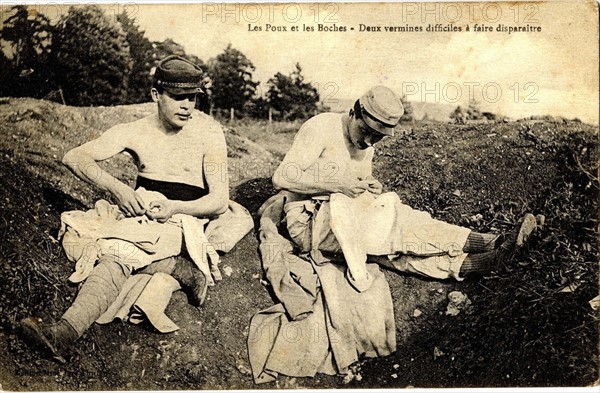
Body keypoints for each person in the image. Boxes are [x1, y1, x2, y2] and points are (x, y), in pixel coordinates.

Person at [20, 55, 231, 360]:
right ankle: (175, 267)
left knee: (115, 255)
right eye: (177, 97)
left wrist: (173, 208)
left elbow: (219, 202)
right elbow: (74, 157)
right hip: (141, 219)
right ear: (156, 95)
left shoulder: (209, 133)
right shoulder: (135, 131)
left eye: (192, 98)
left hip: (185, 219)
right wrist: (117, 189)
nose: (186, 106)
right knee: (82, 238)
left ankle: (66, 333)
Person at [271, 85, 539, 290]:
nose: (370, 142)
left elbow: (357, 185)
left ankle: (489, 261)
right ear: (355, 113)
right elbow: (281, 177)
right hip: (308, 220)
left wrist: (369, 187)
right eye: (368, 132)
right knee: (400, 225)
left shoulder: (367, 148)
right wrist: (336, 185)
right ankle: (492, 241)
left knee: (397, 255)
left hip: (345, 219)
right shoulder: (322, 127)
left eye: (377, 137)